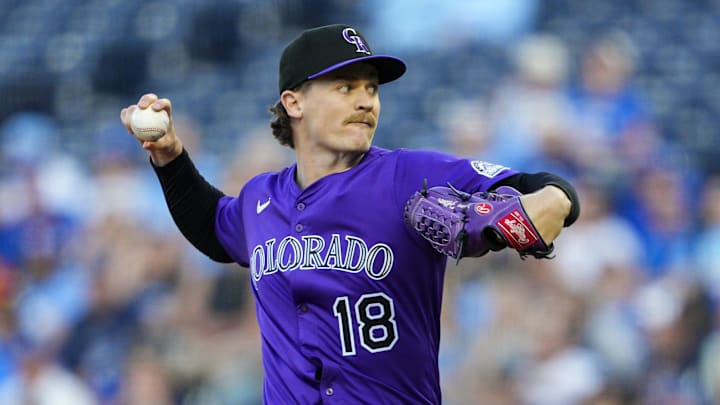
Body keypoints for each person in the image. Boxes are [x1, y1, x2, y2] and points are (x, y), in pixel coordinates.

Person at [120, 24, 580, 404]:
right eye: (345, 87)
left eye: (371, 89)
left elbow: (555, 195)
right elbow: (212, 228)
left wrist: (506, 221)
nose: (366, 101)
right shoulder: (263, 197)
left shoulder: (410, 174)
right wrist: (169, 155)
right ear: (294, 103)